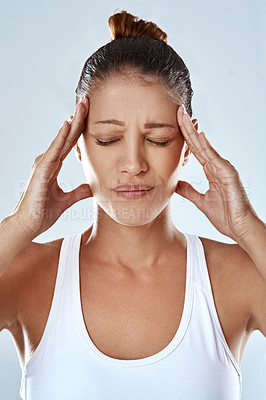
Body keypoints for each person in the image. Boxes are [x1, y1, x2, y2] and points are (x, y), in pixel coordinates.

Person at [0, 9, 265, 400]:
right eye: (108, 139)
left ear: (189, 147)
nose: (134, 165)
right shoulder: (27, 273)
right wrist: (20, 225)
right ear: (77, 145)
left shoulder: (239, 276)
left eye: (158, 139)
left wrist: (248, 227)